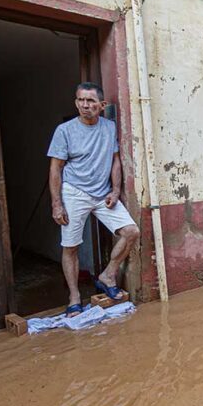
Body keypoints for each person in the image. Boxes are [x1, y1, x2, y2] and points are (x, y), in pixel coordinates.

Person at [47, 82, 140, 316]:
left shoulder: (109, 127)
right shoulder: (65, 130)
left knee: (131, 231)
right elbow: (56, 168)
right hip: (74, 192)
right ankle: (74, 296)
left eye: (90, 101)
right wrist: (56, 203)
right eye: (80, 100)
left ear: (102, 105)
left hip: (103, 193)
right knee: (71, 246)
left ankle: (108, 275)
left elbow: (115, 159)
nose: (84, 105)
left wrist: (116, 189)